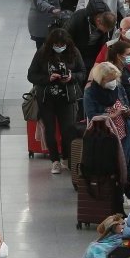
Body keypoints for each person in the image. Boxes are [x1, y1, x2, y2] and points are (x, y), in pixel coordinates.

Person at [27, 29, 87, 175]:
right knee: (50, 130)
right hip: (46, 99)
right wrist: (47, 79)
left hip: (67, 99)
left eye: (62, 44)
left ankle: (66, 158)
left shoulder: (74, 52)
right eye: (56, 44)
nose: (60, 46)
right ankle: (54, 160)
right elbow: (31, 75)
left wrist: (72, 77)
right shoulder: (42, 53)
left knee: (68, 131)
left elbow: (83, 72)